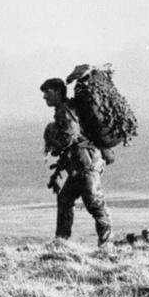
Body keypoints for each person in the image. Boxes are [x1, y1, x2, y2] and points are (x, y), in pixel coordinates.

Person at [41, 77, 112, 246]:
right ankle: (61, 243)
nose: (45, 97)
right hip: (80, 164)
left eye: (48, 92)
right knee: (65, 199)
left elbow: (69, 135)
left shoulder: (65, 110)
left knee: (95, 203)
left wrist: (52, 134)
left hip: (86, 163)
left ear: (58, 91)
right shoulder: (67, 108)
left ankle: (107, 245)